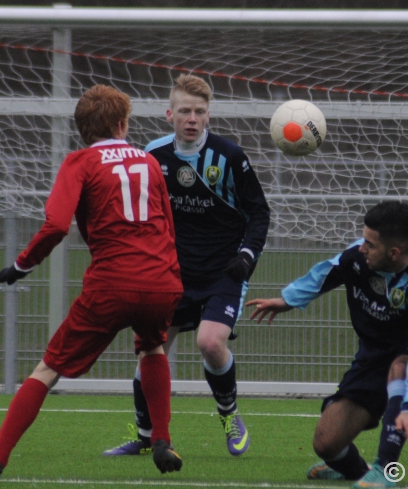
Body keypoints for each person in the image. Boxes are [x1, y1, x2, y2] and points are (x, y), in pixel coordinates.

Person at [0, 85, 184, 480]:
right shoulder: (150, 162)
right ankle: (163, 439)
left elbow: (55, 225)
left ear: (83, 129)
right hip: (161, 281)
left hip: (112, 284)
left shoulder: (80, 161)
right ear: (122, 124)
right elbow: (167, 224)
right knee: (152, 348)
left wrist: (21, 265)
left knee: (47, 370)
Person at [103, 74, 270, 458]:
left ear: (208, 116)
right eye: (184, 111)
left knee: (210, 342)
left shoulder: (230, 157)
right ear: (169, 115)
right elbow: (142, 213)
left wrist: (246, 257)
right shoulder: (153, 155)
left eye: (198, 111)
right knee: (150, 351)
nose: (191, 118)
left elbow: (259, 214)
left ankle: (229, 414)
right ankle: (146, 437)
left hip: (222, 272)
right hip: (170, 274)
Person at [247, 201, 408, 489]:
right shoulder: (357, 256)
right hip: (374, 353)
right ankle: (356, 470)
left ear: (394, 253)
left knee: (400, 367)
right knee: (326, 444)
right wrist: (288, 300)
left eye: (370, 244)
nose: (362, 248)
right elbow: (327, 272)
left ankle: (385, 470)